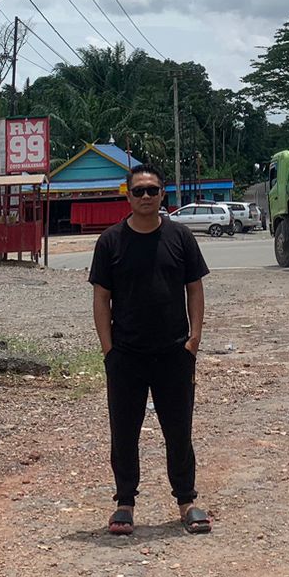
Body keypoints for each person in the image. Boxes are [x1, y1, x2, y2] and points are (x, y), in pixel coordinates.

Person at [88, 163, 212, 536]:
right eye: (138, 190)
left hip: (174, 352)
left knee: (179, 430)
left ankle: (186, 501)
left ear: (163, 195)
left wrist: (194, 340)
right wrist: (108, 350)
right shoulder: (110, 242)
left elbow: (195, 288)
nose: (145, 197)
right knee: (124, 431)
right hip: (126, 355)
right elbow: (101, 299)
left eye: (152, 190)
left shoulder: (181, 238)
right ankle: (124, 503)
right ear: (128, 195)